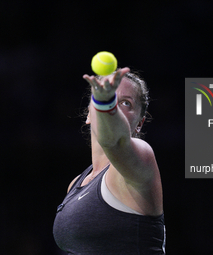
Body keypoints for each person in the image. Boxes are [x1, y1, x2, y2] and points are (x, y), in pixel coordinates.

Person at [53, 67, 165, 254]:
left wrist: (105, 102)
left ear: (139, 124)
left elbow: (114, 141)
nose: (114, 105)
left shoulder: (142, 158)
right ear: (88, 114)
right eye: (107, 97)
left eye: (125, 103)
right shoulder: (77, 183)